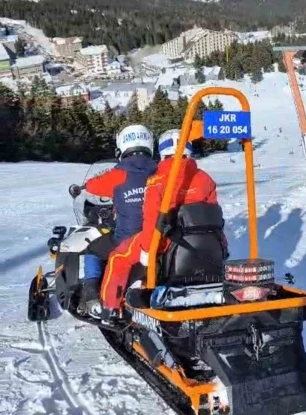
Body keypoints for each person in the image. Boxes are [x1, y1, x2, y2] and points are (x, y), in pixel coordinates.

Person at [101, 128, 226, 313]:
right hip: (209, 241)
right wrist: (222, 243)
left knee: (118, 257)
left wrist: (146, 250)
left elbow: (152, 219)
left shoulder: (158, 180)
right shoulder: (205, 179)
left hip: (169, 240)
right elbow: (215, 214)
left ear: (163, 152)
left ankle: (110, 308)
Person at [70, 124, 157, 317]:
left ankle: (91, 292)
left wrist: (84, 186)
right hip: (158, 240)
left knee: (93, 248)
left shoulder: (118, 173)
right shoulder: (160, 170)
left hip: (128, 240)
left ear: (122, 145)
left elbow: (93, 186)